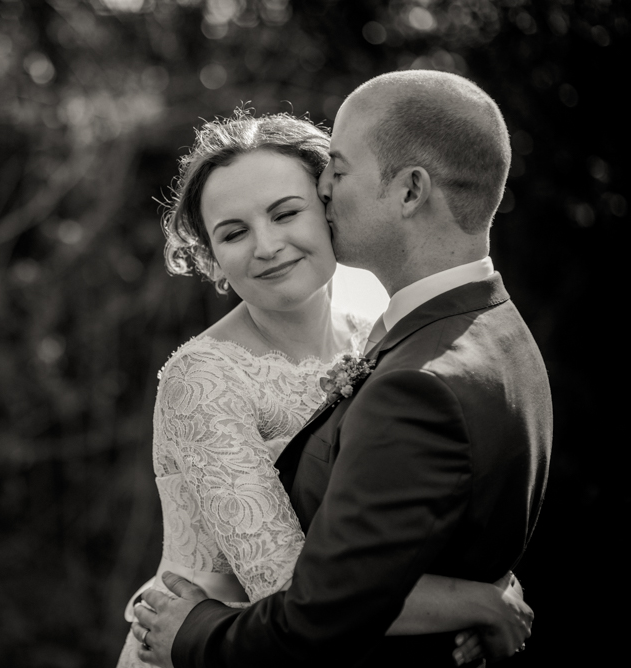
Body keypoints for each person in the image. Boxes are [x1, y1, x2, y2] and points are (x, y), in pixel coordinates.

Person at [119, 90, 542, 668]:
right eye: (234, 233)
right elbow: (290, 586)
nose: (267, 247)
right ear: (212, 258)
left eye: (286, 213)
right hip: (213, 644)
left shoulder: (379, 327)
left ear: (329, 204)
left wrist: (487, 579)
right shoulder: (202, 379)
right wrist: (480, 600)